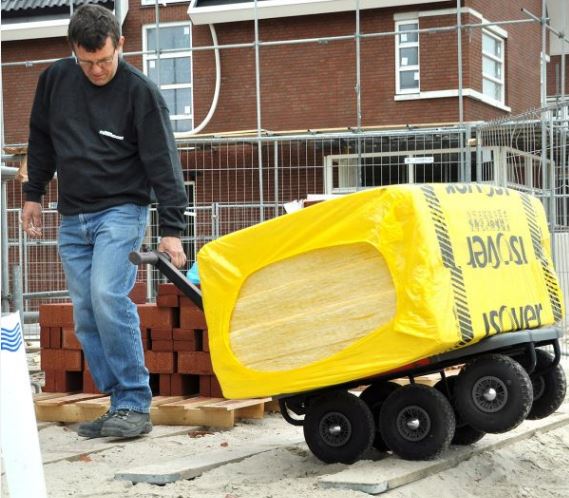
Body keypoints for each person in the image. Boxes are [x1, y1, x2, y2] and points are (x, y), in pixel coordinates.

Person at [21, 4, 188, 439]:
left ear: (121, 46)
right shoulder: (55, 80)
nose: (97, 70)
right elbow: (40, 137)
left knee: (107, 296)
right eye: (87, 61)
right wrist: (32, 194)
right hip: (73, 216)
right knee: (85, 314)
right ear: (73, 51)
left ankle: (135, 401)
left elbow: (164, 162)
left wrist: (171, 229)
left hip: (121, 210)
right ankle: (119, 406)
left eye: (105, 60)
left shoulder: (139, 92)